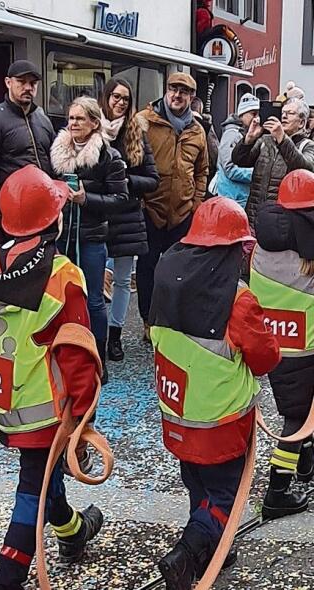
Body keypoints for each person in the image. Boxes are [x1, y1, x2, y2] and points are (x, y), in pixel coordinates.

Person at [0, 166, 103, 590]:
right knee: (32, 490)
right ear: (55, 220)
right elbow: (78, 358)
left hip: (4, 402)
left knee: (43, 475)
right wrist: (84, 421)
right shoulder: (61, 275)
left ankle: (72, 531)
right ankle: (7, 577)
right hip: (48, 411)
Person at [149, 197, 280, 590]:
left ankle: (215, 549)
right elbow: (264, 358)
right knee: (224, 496)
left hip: (176, 413)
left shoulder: (164, 279)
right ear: (233, 248)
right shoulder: (237, 299)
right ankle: (187, 553)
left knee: (199, 488)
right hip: (221, 421)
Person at [50, 95, 128, 383]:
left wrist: (86, 199)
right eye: (70, 118)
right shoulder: (58, 152)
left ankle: (99, 359)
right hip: (63, 236)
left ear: (95, 123)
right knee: (62, 298)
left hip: (93, 238)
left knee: (94, 300)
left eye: (80, 118)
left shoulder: (109, 157)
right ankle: (68, 354)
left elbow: (120, 198)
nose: (73, 124)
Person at [250, 169, 314, 520]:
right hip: (305, 346)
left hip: (273, 345)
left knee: (295, 407)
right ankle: (278, 488)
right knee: (296, 416)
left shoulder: (261, 246)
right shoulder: (307, 255)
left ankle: (305, 463)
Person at [137, 72, 208, 343]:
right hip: (150, 209)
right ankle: (147, 319)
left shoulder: (197, 131)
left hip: (182, 212)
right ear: (166, 90)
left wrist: (196, 202)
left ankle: (172, 320)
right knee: (147, 268)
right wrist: (139, 197)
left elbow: (203, 170)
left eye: (183, 91)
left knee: (178, 269)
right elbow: (133, 160)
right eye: (173, 89)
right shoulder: (145, 121)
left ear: (191, 97)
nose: (177, 95)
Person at [98, 78, 159, 363]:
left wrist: (126, 179)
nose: (120, 102)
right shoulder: (91, 127)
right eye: (116, 97)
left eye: (125, 98)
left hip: (126, 216)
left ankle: (115, 335)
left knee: (122, 280)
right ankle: (93, 333)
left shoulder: (136, 131)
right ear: (106, 98)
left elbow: (152, 178)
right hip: (96, 214)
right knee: (90, 277)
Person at [232, 97, 314, 229]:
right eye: (283, 113)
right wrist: (249, 139)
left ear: (301, 122)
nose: (284, 116)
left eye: (291, 113)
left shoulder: (307, 145)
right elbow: (240, 160)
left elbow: (306, 169)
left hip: (283, 220)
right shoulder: (266, 139)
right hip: (254, 215)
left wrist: (282, 139)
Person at [0, 59, 55, 186]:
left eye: (33, 83)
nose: (28, 87)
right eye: (21, 82)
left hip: (45, 197)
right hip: (11, 199)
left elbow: (54, 161)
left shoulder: (43, 119)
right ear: (8, 83)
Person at [213, 93, 257, 207]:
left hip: (238, 197)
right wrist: (257, 173)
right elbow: (230, 169)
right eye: (253, 113)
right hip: (232, 198)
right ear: (242, 113)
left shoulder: (245, 133)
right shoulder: (232, 134)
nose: (256, 118)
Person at [191, 97, 219, 195]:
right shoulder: (206, 126)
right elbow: (215, 153)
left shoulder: (176, 123)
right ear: (200, 109)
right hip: (203, 178)